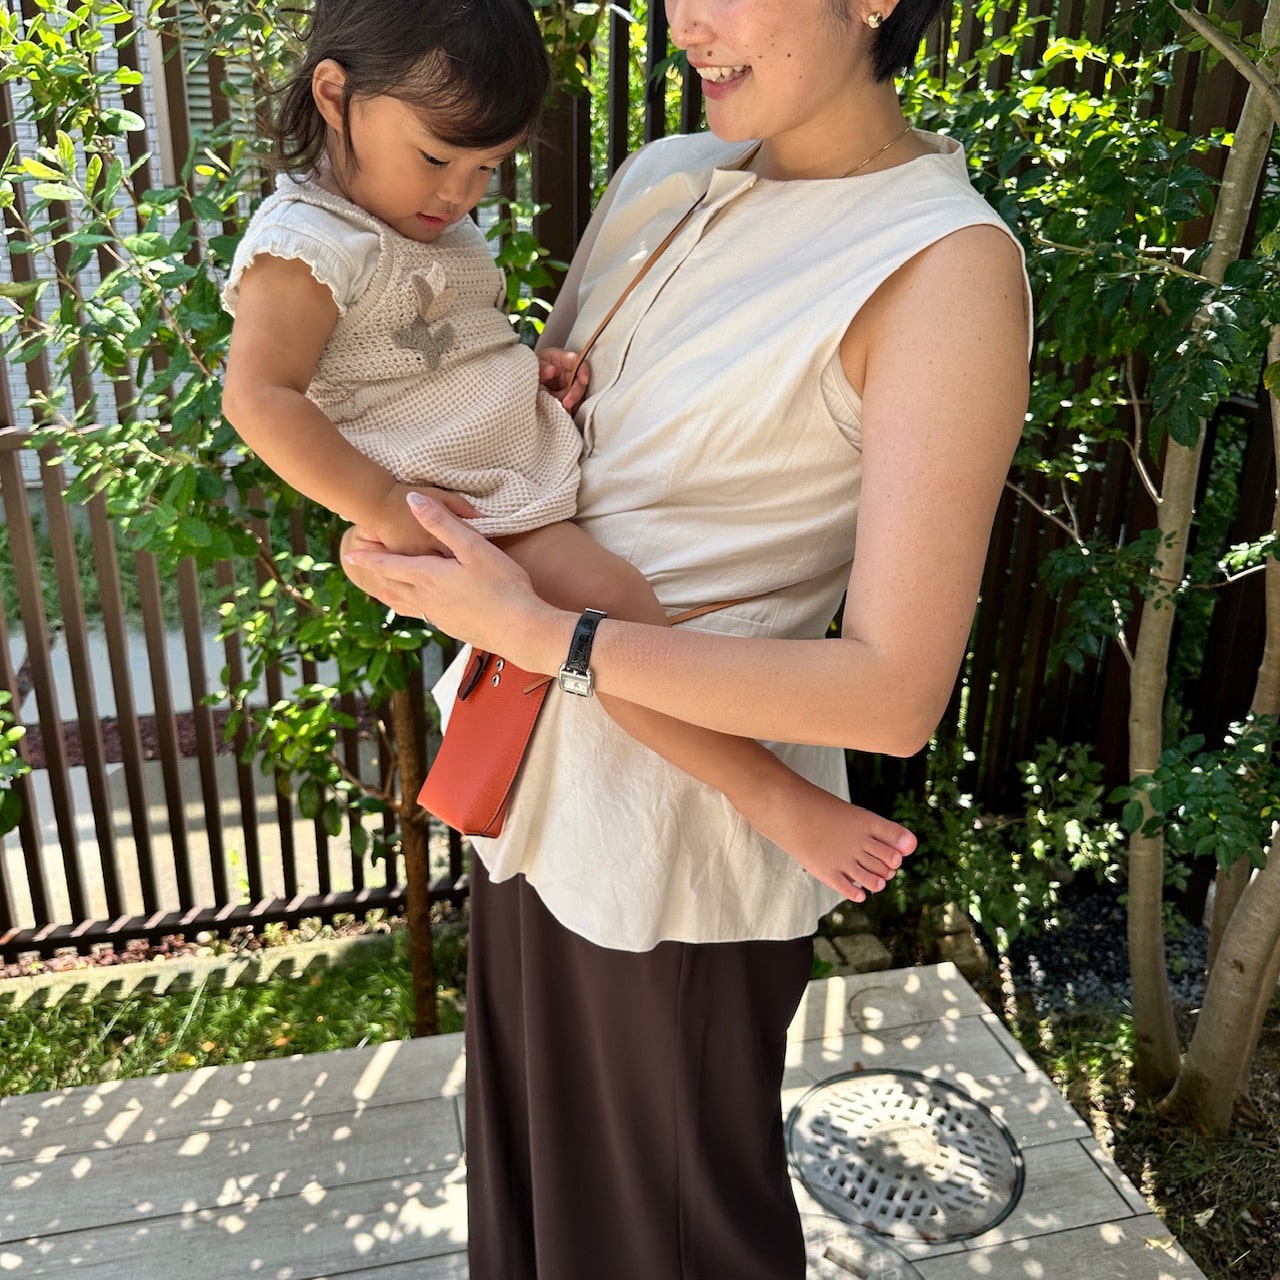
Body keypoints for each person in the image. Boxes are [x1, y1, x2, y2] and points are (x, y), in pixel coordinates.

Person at [343, 0, 1032, 1275]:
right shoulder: (662, 174)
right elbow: (523, 452)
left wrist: (549, 633)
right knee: (533, 1214)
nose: (684, 23)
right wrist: (412, 529)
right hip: (521, 793)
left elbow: (892, 694)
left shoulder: (941, 268)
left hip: (674, 868)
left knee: (662, 1242)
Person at [220, 0, 916, 906]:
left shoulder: (407, 218)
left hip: (499, 470)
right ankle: (772, 796)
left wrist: (526, 372)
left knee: (607, 620)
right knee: (614, 618)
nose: (458, 194)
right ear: (333, 95)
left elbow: (437, 351)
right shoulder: (308, 244)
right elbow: (259, 397)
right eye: (436, 158)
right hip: (466, 505)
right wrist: (388, 509)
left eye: (487, 168)